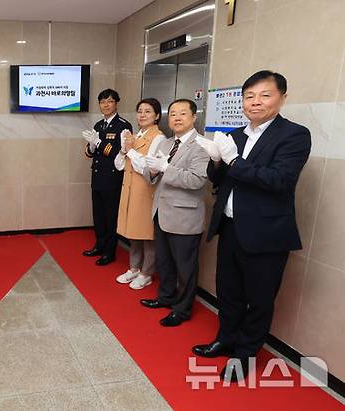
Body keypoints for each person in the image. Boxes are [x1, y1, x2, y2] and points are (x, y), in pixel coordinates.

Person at [192, 71, 311, 382]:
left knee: (259, 298)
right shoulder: (236, 135)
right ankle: (226, 338)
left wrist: (233, 162)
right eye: (249, 96)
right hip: (231, 227)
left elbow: (279, 181)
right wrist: (217, 162)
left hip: (266, 234)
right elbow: (220, 180)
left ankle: (244, 355)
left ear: (282, 98)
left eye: (265, 95)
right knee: (228, 291)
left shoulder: (294, 135)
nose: (255, 102)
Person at [139, 99, 209, 327]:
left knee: (185, 266)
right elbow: (154, 178)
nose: (177, 118)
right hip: (161, 211)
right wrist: (151, 170)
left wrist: (166, 169)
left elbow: (196, 180)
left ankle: (182, 309)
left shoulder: (202, 146)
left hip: (184, 215)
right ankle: (165, 296)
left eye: (182, 114)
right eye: (173, 114)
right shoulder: (166, 144)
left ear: (193, 117)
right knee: (165, 261)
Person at [114, 98, 165, 290]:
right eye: (140, 111)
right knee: (133, 233)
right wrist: (123, 149)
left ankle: (147, 273)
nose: (142, 115)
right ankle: (134, 268)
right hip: (130, 190)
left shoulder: (158, 138)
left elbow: (146, 167)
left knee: (146, 235)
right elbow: (118, 165)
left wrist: (131, 150)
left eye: (148, 112)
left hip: (146, 192)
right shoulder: (133, 136)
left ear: (157, 116)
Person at [82, 89, 133, 266]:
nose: (106, 105)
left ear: (116, 103)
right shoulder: (98, 125)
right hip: (97, 177)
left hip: (112, 179)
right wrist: (91, 146)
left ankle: (110, 252)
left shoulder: (123, 126)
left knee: (111, 217)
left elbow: (117, 153)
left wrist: (99, 143)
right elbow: (90, 154)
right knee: (98, 216)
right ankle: (99, 245)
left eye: (110, 101)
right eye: (102, 102)